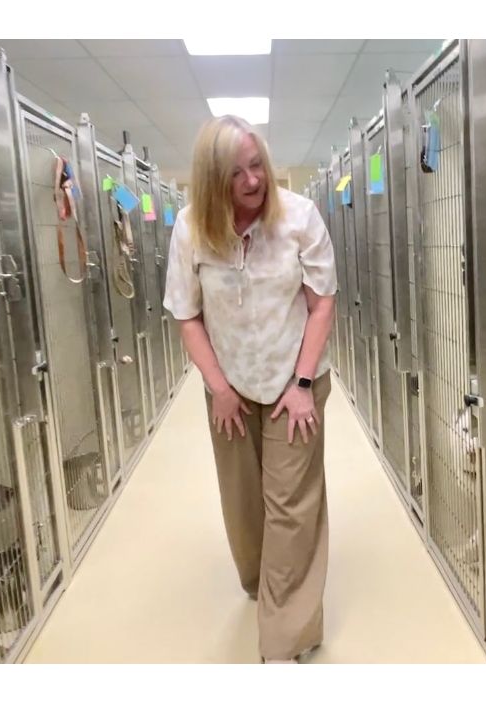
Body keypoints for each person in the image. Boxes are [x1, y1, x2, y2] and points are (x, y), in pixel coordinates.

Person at [163, 115, 337, 664]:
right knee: (242, 501)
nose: (253, 180)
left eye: (257, 165)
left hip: (296, 380)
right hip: (229, 384)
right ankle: (261, 581)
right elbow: (186, 314)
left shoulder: (299, 217)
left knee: (291, 503)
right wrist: (218, 388)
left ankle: (285, 636)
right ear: (213, 180)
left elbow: (322, 303)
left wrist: (302, 383)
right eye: (236, 173)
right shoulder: (191, 228)